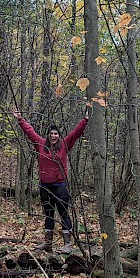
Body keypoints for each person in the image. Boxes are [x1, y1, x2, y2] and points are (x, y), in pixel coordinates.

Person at [13, 106, 89, 253]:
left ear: (59, 135)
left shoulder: (65, 145)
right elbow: (30, 132)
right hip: (45, 186)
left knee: (63, 212)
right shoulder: (40, 144)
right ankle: (48, 243)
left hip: (60, 185)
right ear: (48, 135)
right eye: (51, 134)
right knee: (48, 213)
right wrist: (20, 119)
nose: (53, 136)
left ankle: (67, 244)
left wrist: (85, 120)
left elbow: (76, 133)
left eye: (56, 134)